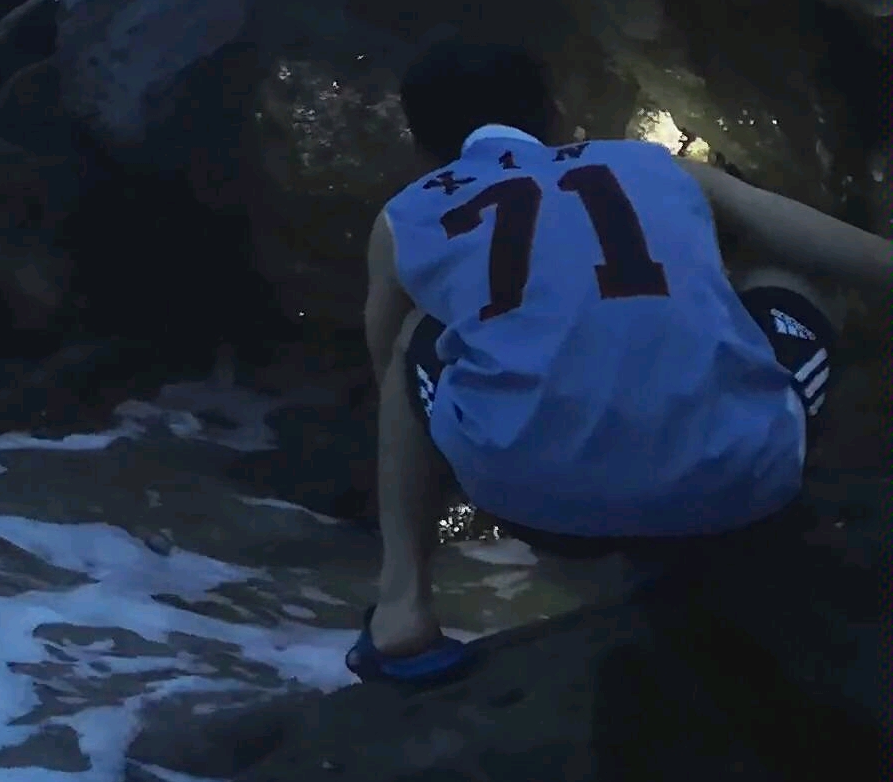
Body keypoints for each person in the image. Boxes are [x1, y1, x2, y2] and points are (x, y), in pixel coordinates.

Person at [353, 38, 890, 683]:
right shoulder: (652, 164)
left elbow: (389, 372)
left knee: (416, 334)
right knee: (788, 275)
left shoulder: (406, 215)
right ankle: (743, 479)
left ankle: (403, 603)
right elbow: (847, 254)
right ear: (554, 115)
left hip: (532, 503)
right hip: (741, 489)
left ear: (422, 147)